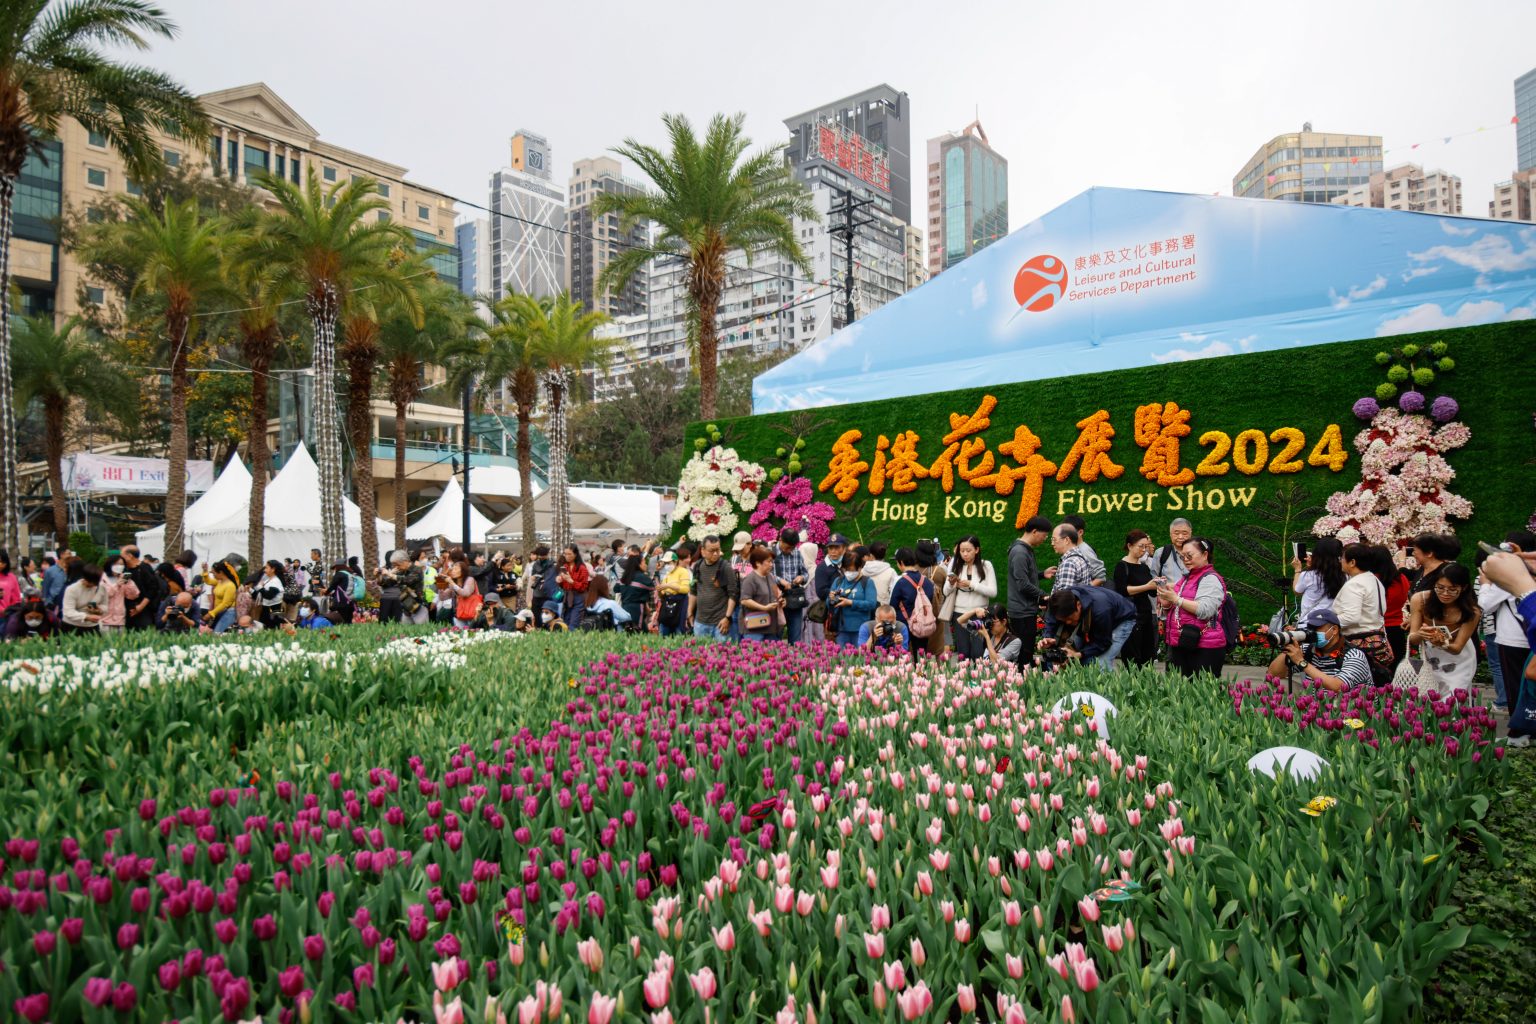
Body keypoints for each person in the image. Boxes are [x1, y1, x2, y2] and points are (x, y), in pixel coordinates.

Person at [1480, 550, 1536, 745]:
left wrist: (1486, 584)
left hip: (1512, 639)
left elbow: (1485, 604)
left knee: (1517, 688)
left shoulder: (1510, 577)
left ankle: (1520, 732)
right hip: (1525, 638)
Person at [1156, 537, 1229, 679]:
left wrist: (1176, 599)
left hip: (1204, 647)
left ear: (1205, 555)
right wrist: (1166, 603)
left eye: (1189, 556)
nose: (1186, 560)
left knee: (1201, 694)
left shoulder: (1210, 579)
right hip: (1184, 642)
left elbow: (1205, 610)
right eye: (1183, 557)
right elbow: (1177, 608)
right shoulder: (1187, 578)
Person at [1406, 563, 1481, 696]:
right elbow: (1413, 639)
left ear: (1464, 588)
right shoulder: (1420, 599)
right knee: (1429, 696)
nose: (1445, 593)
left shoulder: (1472, 611)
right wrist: (1421, 634)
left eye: (1452, 589)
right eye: (1440, 588)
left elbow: (1457, 648)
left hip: (1460, 660)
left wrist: (1443, 643)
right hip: (1431, 658)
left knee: (1454, 699)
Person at [1267, 608, 1374, 693]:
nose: (1312, 632)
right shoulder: (1308, 649)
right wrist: (1289, 648)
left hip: (1350, 710)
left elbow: (1339, 687)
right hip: (1317, 707)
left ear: (1335, 630)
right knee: (1277, 683)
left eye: (1317, 628)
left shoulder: (1354, 655)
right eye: (1310, 627)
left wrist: (1301, 662)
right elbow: (1273, 674)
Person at [1042, 586, 1139, 670]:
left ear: (1078, 605)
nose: (1068, 622)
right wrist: (1047, 637)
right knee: (1072, 658)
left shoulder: (1101, 610)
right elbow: (1051, 620)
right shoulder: (1058, 602)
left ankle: (1106, 690)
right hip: (1095, 617)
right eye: (1063, 620)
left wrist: (1078, 654)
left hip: (1122, 618)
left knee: (1101, 663)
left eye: (1069, 618)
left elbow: (1103, 642)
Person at [1334, 543, 1390, 683]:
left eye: (1342, 558)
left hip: (1359, 643)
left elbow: (1351, 617)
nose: (1340, 561)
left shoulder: (1355, 584)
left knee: (1355, 688)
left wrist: (1328, 624)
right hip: (1377, 640)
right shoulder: (1373, 579)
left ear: (1352, 562)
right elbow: (1383, 609)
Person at [1005, 516, 1052, 667]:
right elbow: (1022, 584)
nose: (1044, 539)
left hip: (1025, 609)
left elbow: (1022, 576)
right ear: (1034, 531)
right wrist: (1044, 596)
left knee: (1027, 652)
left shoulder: (1024, 550)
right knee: (1024, 655)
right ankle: (1020, 684)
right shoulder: (1020, 552)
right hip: (1022, 611)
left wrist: (1041, 574)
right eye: (1044, 536)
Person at [940, 535, 996, 660]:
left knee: (978, 652)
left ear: (976, 550)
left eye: (968, 550)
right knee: (963, 652)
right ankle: (963, 677)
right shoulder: (955, 566)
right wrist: (951, 583)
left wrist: (972, 584)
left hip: (979, 613)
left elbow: (993, 592)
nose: (965, 554)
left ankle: (980, 676)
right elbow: (945, 591)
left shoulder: (986, 565)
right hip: (959, 613)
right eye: (962, 551)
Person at [1113, 530, 1160, 668]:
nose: (1144, 550)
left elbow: (1151, 593)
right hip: (1131, 615)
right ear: (1129, 546)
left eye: (1146, 546)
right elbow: (1122, 590)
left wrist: (1157, 584)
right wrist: (1146, 586)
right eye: (1141, 546)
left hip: (1146, 614)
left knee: (1148, 655)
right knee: (1132, 656)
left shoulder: (1144, 567)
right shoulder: (1122, 566)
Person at [890, 547, 936, 662]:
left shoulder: (900, 581)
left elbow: (892, 605)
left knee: (904, 657)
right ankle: (922, 677)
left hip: (904, 624)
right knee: (921, 656)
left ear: (901, 563)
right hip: (923, 625)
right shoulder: (927, 581)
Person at [689, 535, 738, 642]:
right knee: (701, 655)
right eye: (712, 550)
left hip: (720, 623)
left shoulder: (725, 567)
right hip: (700, 622)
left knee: (722, 655)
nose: (716, 553)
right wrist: (689, 613)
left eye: (718, 549)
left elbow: (733, 594)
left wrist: (727, 618)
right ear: (703, 551)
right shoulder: (697, 566)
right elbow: (693, 591)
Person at [826, 546, 877, 646]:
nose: (848, 572)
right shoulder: (839, 581)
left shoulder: (867, 582)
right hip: (842, 628)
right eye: (846, 569)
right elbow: (829, 604)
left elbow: (871, 604)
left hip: (860, 628)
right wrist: (831, 599)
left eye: (851, 570)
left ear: (859, 568)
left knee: (860, 658)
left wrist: (851, 603)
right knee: (842, 658)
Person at [1291, 538, 1346, 626]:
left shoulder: (1309, 575)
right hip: (1332, 625)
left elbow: (1297, 591)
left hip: (1310, 623)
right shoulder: (1345, 576)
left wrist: (1297, 570)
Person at [738, 544, 784, 643]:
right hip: (754, 628)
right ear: (758, 563)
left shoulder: (770, 577)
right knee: (754, 655)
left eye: (772, 562)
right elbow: (745, 601)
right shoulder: (750, 579)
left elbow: (776, 594)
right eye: (768, 561)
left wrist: (781, 601)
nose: (771, 564)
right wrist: (764, 608)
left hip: (771, 626)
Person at [772, 528, 810, 644]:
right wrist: (780, 580)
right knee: (775, 637)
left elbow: (805, 573)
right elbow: (764, 575)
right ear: (780, 540)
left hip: (794, 599)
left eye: (792, 548)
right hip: (777, 599)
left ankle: (795, 660)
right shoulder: (770, 553)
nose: (790, 551)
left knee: (796, 638)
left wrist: (802, 578)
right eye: (787, 547)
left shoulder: (797, 553)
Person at [914, 539, 949, 657]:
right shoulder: (939, 571)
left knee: (919, 647)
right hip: (936, 613)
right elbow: (947, 590)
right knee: (938, 647)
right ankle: (940, 672)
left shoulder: (914, 571)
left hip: (918, 613)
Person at [1407, 533, 1461, 598]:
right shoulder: (1423, 568)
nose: (1413, 553)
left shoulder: (1446, 574)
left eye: (1415, 550)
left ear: (1429, 553)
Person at [96, 554, 140, 633]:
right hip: (105, 619)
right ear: (110, 564)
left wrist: (128, 582)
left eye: (122, 564)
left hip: (120, 619)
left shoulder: (123, 578)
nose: (120, 566)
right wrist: (117, 584)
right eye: (117, 564)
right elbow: (105, 595)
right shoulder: (102, 579)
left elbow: (133, 595)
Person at [120, 546, 161, 630]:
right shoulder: (126, 570)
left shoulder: (144, 568)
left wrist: (140, 607)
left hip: (143, 610)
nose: (121, 558)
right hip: (127, 610)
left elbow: (152, 589)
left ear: (129, 555)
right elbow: (122, 585)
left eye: (122, 555)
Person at [1044, 524, 1093, 594]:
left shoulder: (1069, 563)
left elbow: (1063, 599)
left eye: (1054, 539)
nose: (1052, 543)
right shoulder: (1081, 556)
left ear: (1066, 540)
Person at [1059, 515, 1106, 585]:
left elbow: (1101, 578)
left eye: (1069, 531)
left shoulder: (1085, 550)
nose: (1065, 534)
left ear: (1080, 532)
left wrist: (1083, 591)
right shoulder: (1072, 548)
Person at [812, 534, 850, 620]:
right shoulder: (822, 567)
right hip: (832, 610)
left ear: (844, 549)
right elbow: (821, 591)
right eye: (830, 548)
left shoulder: (848, 563)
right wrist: (840, 593)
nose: (833, 551)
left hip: (849, 607)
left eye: (837, 548)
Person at [655, 551, 692, 636]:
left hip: (680, 604)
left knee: (678, 631)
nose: (667, 565)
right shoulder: (667, 575)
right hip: (668, 604)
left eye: (669, 563)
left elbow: (686, 589)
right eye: (665, 563)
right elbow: (662, 595)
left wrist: (668, 585)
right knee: (664, 631)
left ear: (675, 562)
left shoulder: (683, 571)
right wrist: (660, 590)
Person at [61, 563, 105, 634]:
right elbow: (68, 611)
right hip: (72, 626)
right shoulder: (72, 589)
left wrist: (99, 610)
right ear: (85, 579)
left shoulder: (100, 587)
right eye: (91, 583)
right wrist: (86, 617)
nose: (94, 585)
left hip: (92, 626)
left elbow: (104, 605)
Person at [1147, 519, 1192, 586]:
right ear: (1170, 534)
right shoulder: (1161, 553)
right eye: (1176, 533)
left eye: (1184, 533)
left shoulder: (1197, 553)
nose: (1180, 537)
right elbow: (1154, 577)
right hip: (1167, 594)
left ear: (1190, 533)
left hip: (1191, 595)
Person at [555, 545, 590, 630]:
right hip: (567, 597)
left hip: (578, 597)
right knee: (565, 621)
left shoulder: (582, 568)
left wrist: (571, 581)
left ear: (575, 554)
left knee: (573, 623)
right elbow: (564, 585)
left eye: (569, 554)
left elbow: (584, 587)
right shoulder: (565, 567)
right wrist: (559, 580)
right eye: (565, 554)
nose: (567, 556)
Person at [617, 554, 654, 630]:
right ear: (639, 564)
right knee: (638, 630)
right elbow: (653, 588)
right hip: (637, 609)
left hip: (624, 608)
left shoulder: (624, 577)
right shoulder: (642, 577)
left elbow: (616, 589)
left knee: (628, 631)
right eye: (644, 562)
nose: (646, 565)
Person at [203, 562, 240, 633]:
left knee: (217, 633)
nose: (213, 575)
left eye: (214, 573)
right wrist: (205, 571)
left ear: (220, 572)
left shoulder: (230, 586)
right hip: (219, 611)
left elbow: (225, 604)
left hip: (229, 613)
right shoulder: (219, 582)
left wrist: (211, 613)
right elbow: (208, 581)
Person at [253, 560, 287, 628]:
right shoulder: (268, 580)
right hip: (266, 609)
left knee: (270, 629)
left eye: (267, 568)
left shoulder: (275, 582)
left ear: (273, 569)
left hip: (273, 610)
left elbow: (269, 596)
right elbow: (262, 594)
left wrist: (260, 587)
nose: (264, 570)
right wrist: (250, 590)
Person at [862, 541, 898, 606]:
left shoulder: (862, 571)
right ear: (885, 554)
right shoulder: (891, 572)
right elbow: (895, 592)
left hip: (866, 607)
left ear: (871, 555)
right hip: (884, 609)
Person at [42, 547, 71, 613]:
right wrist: (46, 603)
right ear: (61, 555)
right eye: (69, 553)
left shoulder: (71, 570)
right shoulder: (50, 571)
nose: (70, 556)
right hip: (52, 603)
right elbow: (45, 588)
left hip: (67, 603)